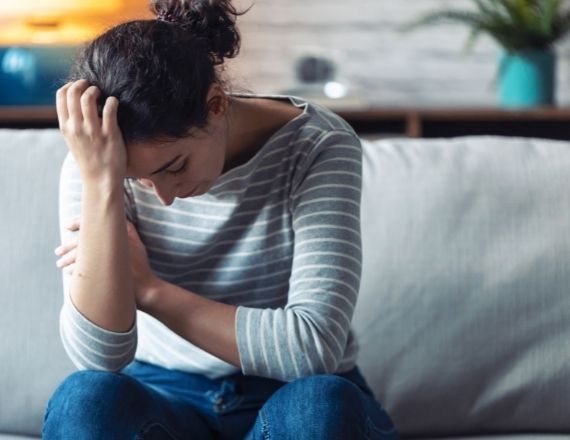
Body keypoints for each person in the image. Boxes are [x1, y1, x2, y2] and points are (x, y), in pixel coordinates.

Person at [42, 0, 399, 438]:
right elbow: (99, 358)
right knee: (86, 398)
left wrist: (150, 290)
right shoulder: (97, 160)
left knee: (319, 403)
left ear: (215, 105)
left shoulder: (319, 145)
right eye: (140, 180)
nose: (166, 197)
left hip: (288, 396)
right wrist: (102, 184)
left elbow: (312, 349)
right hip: (162, 394)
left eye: (174, 167)